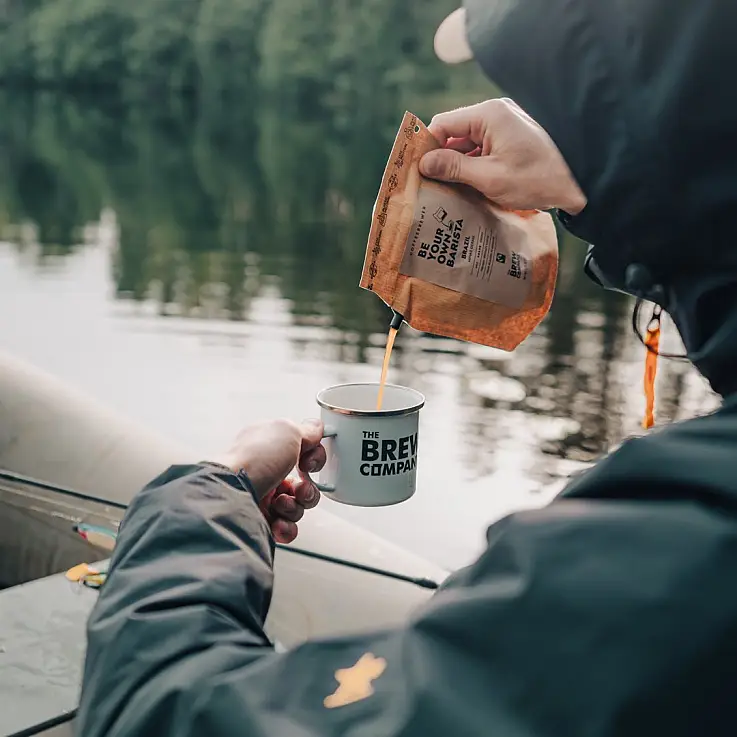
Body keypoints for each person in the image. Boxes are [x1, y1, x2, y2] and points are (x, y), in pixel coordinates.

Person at [76, 1, 737, 736]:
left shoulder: (681, 548)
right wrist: (599, 183)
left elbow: (161, 711)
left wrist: (213, 489)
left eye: (569, 102)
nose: (546, 112)